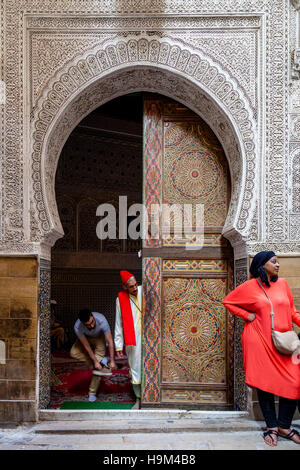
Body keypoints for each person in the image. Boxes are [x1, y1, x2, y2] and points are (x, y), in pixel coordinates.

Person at [223, 251, 300, 447]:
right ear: (261, 264)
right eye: (273, 261)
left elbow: (292, 312)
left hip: (284, 343)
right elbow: (228, 301)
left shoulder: (282, 284)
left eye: (278, 261)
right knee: (265, 384)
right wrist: (246, 316)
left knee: (293, 383)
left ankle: (284, 425)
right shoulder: (250, 286)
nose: (278, 265)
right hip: (259, 341)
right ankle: (272, 428)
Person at [70, 308, 117, 402]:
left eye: (92, 322)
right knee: (73, 353)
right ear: (82, 323)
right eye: (87, 325)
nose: (91, 326)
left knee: (97, 369)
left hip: (99, 338)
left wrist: (112, 360)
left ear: (92, 316)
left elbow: (110, 341)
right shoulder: (77, 327)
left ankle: (92, 393)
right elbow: (87, 347)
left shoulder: (102, 320)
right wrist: (95, 361)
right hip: (86, 338)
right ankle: (101, 361)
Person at [114, 271, 145, 409]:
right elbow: (118, 324)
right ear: (124, 287)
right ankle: (139, 400)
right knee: (136, 368)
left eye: (135, 285)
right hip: (133, 340)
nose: (134, 288)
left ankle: (152, 397)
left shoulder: (145, 290)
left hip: (150, 334)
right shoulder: (120, 300)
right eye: (131, 287)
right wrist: (118, 345)